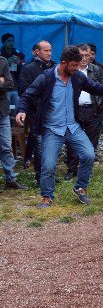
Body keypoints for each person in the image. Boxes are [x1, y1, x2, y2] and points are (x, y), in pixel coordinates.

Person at [16, 46, 103, 208]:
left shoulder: (78, 77)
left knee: (89, 155)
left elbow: (95, 88)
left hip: (72, 127)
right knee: (48, 165)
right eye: (74, 65)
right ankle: (46, 196)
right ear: (64, 63)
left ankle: (80, 187)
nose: (77, 69)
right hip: (52, 129)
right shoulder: (46, 78)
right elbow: (27, 95)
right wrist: (21, 110)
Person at [64, 44, 103, 181]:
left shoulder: (97, 70)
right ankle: (71, 169)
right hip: (75, 110)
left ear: (91, 56)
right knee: (72, 141)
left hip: (93, 110)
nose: (84, 58)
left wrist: (102, 104)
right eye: (81, 55)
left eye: (87, 55)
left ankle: (86, 169)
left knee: (91, 142)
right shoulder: (71, 70)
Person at [19, 41, 56, 179]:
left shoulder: (55, 67)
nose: (49, 53)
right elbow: (24, 90)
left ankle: (49, 173)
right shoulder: (28, 69)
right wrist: (41, 104)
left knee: (51, 143)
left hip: (53, 111)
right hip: (36, 111)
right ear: (37, 52)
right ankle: (40, 175)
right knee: (39, 142)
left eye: (50, 50)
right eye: (46, 50)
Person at [0, 53, 27, 191]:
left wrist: (3, 81)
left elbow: (10, 83)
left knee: (6, 146)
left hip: (2, 112)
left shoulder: (2, 61)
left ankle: (10, 180)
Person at [1, 33, 25, 116]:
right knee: (5, 111)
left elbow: (24, 69)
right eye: (8, 41)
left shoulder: (19, 54)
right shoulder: (1, 55)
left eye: (12, 41)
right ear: (3, 42)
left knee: (16, 109)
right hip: (4, 89)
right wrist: (7, 62)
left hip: (15, 87)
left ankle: (15, 127)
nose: (11, 43)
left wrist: (20, 64)